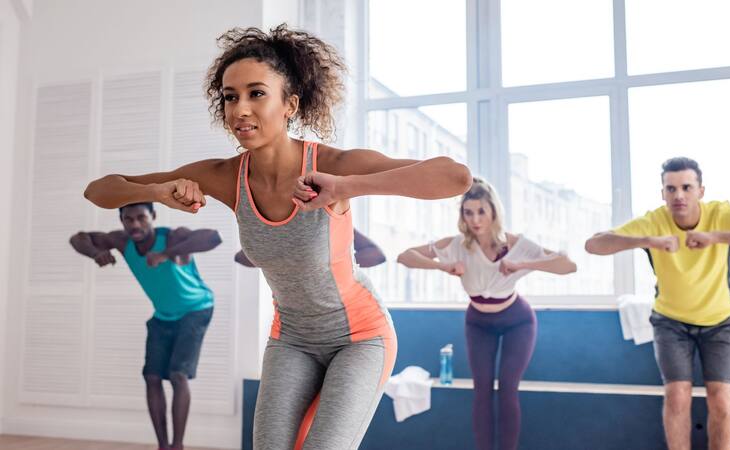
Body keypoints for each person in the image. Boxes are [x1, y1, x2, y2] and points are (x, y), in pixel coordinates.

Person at [82, 24, 471, 450]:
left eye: (256, 93)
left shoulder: (334, 165)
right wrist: (157, 192)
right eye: (230, 97)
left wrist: (346, 187)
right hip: (292, 340)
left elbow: (454, 177)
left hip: (360, 338)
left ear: (290, 104)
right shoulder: (226, 177)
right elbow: (99, 190)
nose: (240, 109)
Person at [585, 157, 730, 450]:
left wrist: (716, 237)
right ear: (662, 193)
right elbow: (594, 244)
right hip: (671, 322)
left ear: (700, 190)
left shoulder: (721, 214)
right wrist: (649, 241)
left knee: (721, 397)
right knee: (677, 395)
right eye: (670, 189)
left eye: (686, 187)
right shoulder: (654, 221)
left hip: (722, 322)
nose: (678, 195)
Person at [397, 177, 576, 450]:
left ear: (493, 211)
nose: (475, 219)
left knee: (506, 388)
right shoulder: (456, 245)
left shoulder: (516, 244)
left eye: (481, 211)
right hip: (478, 322)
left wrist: (521, 264)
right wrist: (442, 267)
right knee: (481, 390)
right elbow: (405, 256)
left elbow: (568, 265)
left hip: (518, 320)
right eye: (468, 212)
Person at [69, 202, 222, 450]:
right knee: (151, 376)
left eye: (141, 217)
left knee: (177, 374)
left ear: (153, 216)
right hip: (163, 315)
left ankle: (177, 445)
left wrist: (167, 253)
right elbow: (78, 238)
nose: (135, 224)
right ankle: (162, 445)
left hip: (197, 309)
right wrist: (95, 253)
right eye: (128, 219)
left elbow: (214, 238)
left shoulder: (173, 236)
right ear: (122, 222)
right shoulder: (122, 241)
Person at [235, 229, 386, 268]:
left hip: (338, 313)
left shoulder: (330, 219)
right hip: (292, 317)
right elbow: (241, 258)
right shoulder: (276, 225)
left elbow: (376, 256)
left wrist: (326, 262)